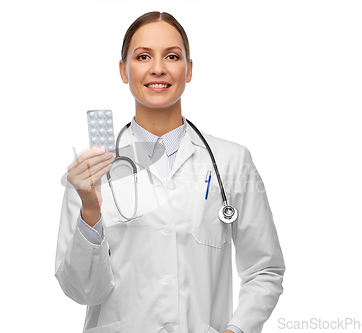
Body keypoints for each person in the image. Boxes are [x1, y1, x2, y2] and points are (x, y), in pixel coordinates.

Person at [55, 11, 285, 333]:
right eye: (143, 56)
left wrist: (238, 330)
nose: (158, 68)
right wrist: (91, 209)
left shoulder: (231, 161)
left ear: (189, 69)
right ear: (124, 70)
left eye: (172, 56)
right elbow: (82, 291)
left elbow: (265, 269)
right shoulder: (91, 171)